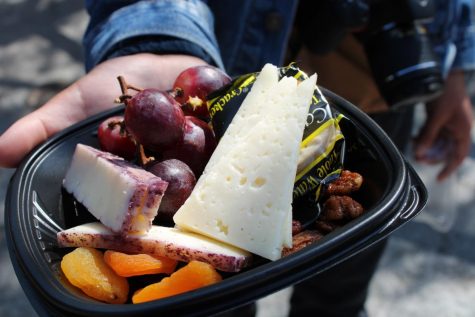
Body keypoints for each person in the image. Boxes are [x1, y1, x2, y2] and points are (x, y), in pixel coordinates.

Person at [0, 0, 473, 316]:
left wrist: (453, 64)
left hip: (373, 92)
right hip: (230, 77)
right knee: (220, 300)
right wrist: (157, 37)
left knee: (341, 288)